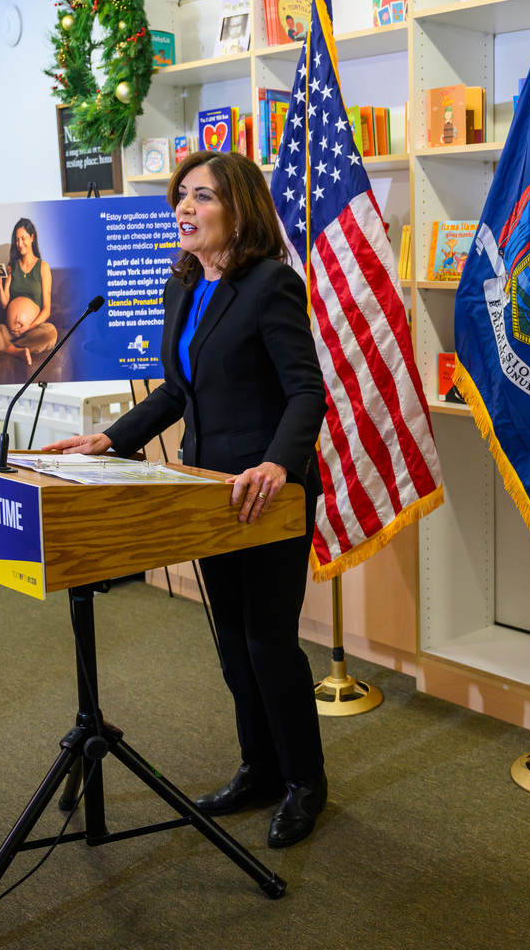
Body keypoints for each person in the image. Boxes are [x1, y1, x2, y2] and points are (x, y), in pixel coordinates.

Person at [41, 150, 329, 848]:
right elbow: (178, 391)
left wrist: (276, 464)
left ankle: (305, 783)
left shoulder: (271, 284)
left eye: (201, 197)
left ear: (238, 209)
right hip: (204, 494)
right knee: (231, 646)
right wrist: (108, 440)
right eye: (181, 196)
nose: (184, 208)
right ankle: (259, 768)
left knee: (268, 646)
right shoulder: (183, 286)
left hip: (266, 493)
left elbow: (305, 390)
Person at [0, 218, 58, 365]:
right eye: (17, 240)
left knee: (51, 333)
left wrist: (29, 327)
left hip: (32, 331)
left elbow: (46, 310)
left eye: (23, 238)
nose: (19, 244)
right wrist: (0, 288)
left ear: (32, 238)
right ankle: (15, 351)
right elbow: (4, 303)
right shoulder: (12, 266)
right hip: (8, 331)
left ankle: (4, 347)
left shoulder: (43, 267)